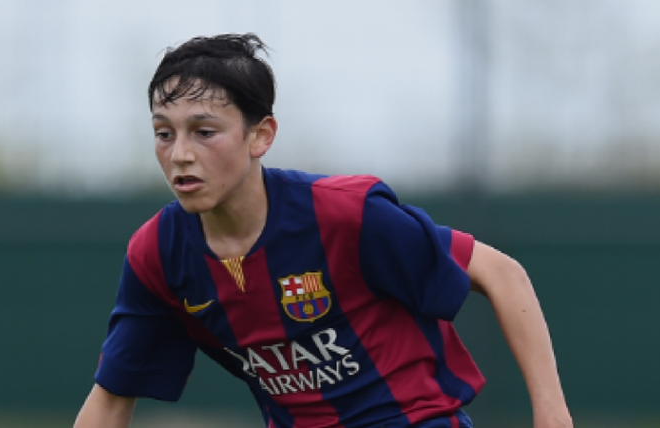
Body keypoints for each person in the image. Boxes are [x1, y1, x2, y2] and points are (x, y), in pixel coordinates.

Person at [73, 33, 572, 428]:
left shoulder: (345, 215)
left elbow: (502, 273)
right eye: (164, 133)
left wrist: (552, 414)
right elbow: (111, 399)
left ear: (260, 136)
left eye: (204, 132)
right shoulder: (158, 254)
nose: (180, 154)